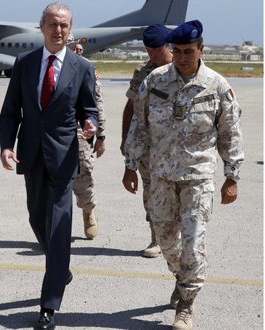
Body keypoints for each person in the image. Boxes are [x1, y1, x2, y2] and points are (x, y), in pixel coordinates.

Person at [122, 20, 244, 330]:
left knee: (193, 243)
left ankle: (186, 304)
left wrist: (232, 175)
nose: (182, 57)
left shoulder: (217, 86)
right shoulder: (155, 80)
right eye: (176, 51)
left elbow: (230, 133)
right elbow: (139, 124)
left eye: (188, 51)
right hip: (161, 175)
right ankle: (181, 276)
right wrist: (130, 165)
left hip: (198, 177)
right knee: (165, 241)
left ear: (201, 49)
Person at [0, 3, 98, 329]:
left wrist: (90, 124)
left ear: (70, 30)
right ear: (42, 26)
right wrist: (6, 145)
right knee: (36, 218)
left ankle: (48, 308)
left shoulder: (81, 66)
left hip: (63, 156)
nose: (59, 31)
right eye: (53, 24)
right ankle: (61, 266)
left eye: (64, 25)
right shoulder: (24, 63)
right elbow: (11, 109)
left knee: (59, 228)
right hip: (31, 153)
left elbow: (89, 108)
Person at [121, 24, 173, 258]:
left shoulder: (181, 66)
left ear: (167, 45)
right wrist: (125, 139)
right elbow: (131, 106)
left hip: (178, 146)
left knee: (178, 192)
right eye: (148, 50)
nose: (152, 55)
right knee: (151, 192)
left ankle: (177, 236)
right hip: (149, 147)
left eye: (157, 50)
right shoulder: (142, 71)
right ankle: (156, 238)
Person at [67, 34, 106, 239]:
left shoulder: (86, 70)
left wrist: (101, 135)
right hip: (55, 129)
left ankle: (88, 210)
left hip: (80, 130)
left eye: (77, 49)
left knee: (84, 171)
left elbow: (96, 103)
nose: (76, 52)